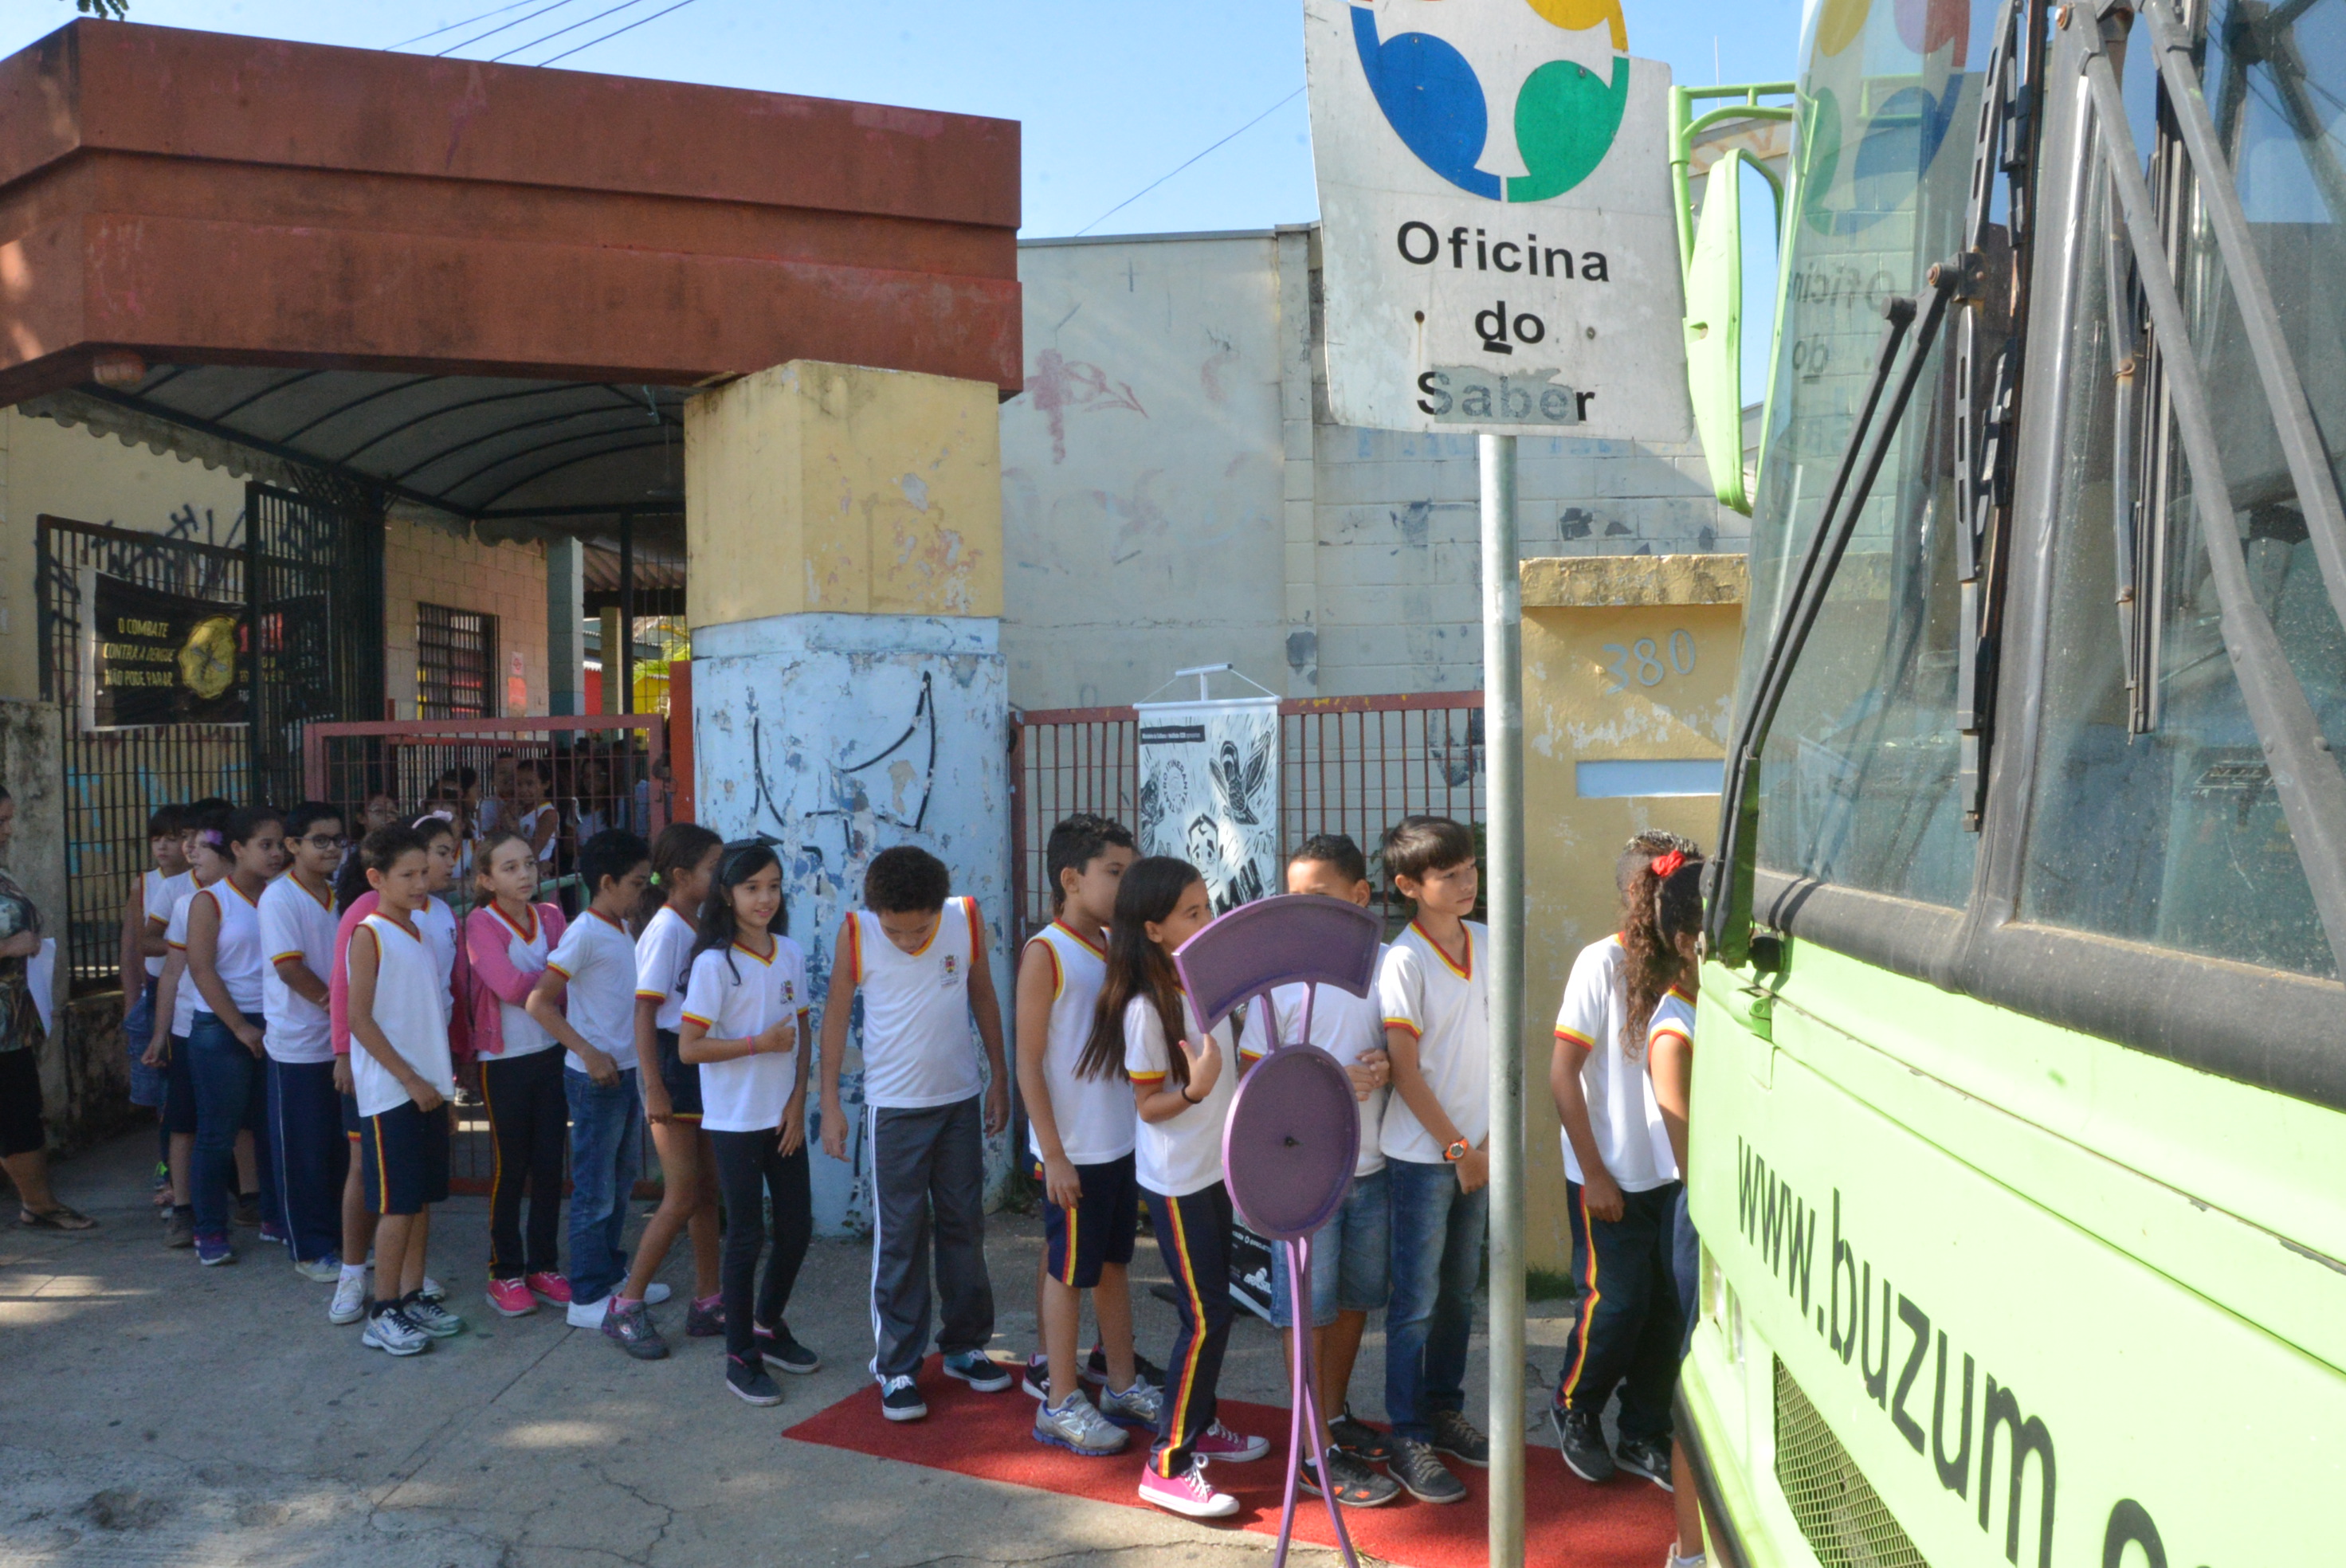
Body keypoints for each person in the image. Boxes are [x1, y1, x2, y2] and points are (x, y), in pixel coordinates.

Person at [1082, 856, 1266, 1518]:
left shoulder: (1196, 979)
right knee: (1206, 1313)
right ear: (1154, 929)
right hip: (1177, 1182)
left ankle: (1201, 1422)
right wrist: (1196, 1088)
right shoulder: (1144, 1008)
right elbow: (1149, 1106)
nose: (1207, 919)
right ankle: (1168, 1463)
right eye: (1192, 912)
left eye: (1206, 906)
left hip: (1212, 1169)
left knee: (1217, 1310)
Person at [1236, 835, 1402, 1508]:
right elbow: (1254, 1077)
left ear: (1360, 896)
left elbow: (1406, 1050)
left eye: (1318, 895)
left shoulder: (1387, 965)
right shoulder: (1277, 978)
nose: (1300, 908)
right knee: (1306, 1310)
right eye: (1293, 895)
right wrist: (1327, 1078)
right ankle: (1312, 1451)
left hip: (1374, 1165)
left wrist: (1389, 1066)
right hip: (1305, 1177)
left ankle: (1331, 1416)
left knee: (1355, 1300)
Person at [818, 845, 1011, 1421]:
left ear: (940, 909)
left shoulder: (966, 917)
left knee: (964, 1225)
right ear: (874, 912)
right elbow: (835, 1015)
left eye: (920, 930)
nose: (906, 940)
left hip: (959, 1101)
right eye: (895, 930)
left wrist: (999, 1078)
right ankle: (898, 1367)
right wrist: (829, 1102)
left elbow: (983, 995)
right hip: (894, 1111)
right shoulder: (857, 932)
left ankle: (965, 1346)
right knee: (900, 1236)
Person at [1547, 829, 1698, 1490]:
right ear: (1641, 898)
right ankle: (1575, 1407)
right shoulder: (1600, 963)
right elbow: (1562, 1074)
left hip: (1676, 1172)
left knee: (1667, 1308)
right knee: (1616, 1304)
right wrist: (1596, 1173)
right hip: (1610, 1172)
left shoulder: (1691, 960)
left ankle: (1643, 1430)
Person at [1014, 813, 1155, 1459]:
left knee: (1114, 1264)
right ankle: (1060, 1401)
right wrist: (1055, 1154)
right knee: (1068, 1272)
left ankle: (1121, 1384)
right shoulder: (1046, 953)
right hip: (1073, 1151)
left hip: (1120, 1144)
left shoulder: (1117, 945)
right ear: (1071, 879)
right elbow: (1029, 1063)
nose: (1127, 887)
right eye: (1114, 873)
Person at [1376, 814, 1494, 1504]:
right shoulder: (1405, 959)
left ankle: (1444, 1411)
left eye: (1470, 868)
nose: (1466, 882)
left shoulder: (1486, 941)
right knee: (1415, 1302)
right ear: (1408, 886)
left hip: (1477, 1154)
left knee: (1458, 1294)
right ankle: (1408, 1434)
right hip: (1426, 1159)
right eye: (1448, 874)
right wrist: (1457, 1150)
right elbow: (1404, 1069)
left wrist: (1485, 1146)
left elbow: (1500, 1047)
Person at [680, 841, 815, 1405]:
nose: (765, 898)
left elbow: (802, 1032)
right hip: (735, 1121)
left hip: (782, 1118)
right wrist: (758, 1044)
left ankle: (767, 1323)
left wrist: (798, 1101)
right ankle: (740, 1355)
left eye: (774, 886)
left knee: (797, 1227)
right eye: (751, 887)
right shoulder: (714, 963)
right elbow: (689, 1048)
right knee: (746, 1237)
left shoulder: (790, 953)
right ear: (727, 894)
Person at [326, 813, 467, 1325]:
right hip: (392, 1092)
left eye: (423, 872)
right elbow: (358, 1018)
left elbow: (426, 1017)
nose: (420, 883)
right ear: (376, 879)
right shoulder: (369, 933)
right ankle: (384, 1310)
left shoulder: (420, 929)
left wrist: (442, 1089)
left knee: (421, 1199)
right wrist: (409, 1079)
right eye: (407, 875)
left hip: (428, 1089)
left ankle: (412, 1295)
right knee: (398, 1203)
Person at [528, 828, 658, 1341]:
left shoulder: (621, 926)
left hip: (624, 1072)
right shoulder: (584, 932)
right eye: (636, 883)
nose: (642, 892)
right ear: (606, 882)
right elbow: (540, 1002)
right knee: (594, 1190)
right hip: (595, 1078)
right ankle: (586, 1295)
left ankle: (611, 1275)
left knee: (620, 1182)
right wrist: (586, 1051)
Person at [621, 823, 727, 1339]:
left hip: (696, 1064)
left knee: (707, 1192)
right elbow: (644, 1013)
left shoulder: (696, 921)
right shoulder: (666, 929)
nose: (723, 876)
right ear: (682, 876)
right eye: (714, 868)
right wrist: (654, 1087)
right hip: (669, 1066)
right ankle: (625, 1305)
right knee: (681, 1196)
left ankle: (709, 1300)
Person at [1640, 848, 1716, 1567]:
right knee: (1700, 1382)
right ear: (1690, 942)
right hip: (1705, 1221)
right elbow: (1693, 1162)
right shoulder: (1674, 1030)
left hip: (1730, 1217)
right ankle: (1689, 1551)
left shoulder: (1717, 1005)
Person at [465, 829, 571, 1317]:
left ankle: (543, 1264)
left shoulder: (550, 915)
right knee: (511, 1167)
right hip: (504, 1062)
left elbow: (569, 981)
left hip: (552, 1051)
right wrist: (553, 980)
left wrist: (549, 984)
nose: (525, 874)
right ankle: (503, 1271)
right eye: (509, 868)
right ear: (486, 879)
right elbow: (508, 988)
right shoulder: (480, 923)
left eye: (529, 863)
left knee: (550, 1165)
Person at [182, 805, 288, 1266]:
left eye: (281, 845)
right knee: (218, 1132)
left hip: (277, 1021)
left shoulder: (283, 895)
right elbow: (201, 969)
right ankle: (208, 1229)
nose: (276, 853)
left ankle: (274, 1216)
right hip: (221, 1028)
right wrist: (240, 1026)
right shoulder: (210, 901)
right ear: (238, 848)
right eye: (266, 845)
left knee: (271, 1127)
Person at [260, 802, 348, 1280]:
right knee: (303, 1153)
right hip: (298, 1045)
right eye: (321, 840)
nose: (332, 848)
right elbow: (290, 968)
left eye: (337, 839)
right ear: (293, 845)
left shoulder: (336, 894)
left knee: (339, 1149)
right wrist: (341, 1011)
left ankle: (342, 1239)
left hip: (338, 1042)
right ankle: (309, 1249)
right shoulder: (279, 897)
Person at [0, 784, 93, 1231]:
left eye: (8, 820)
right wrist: (8, 947)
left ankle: (38, 1203)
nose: (7, 830)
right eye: (0, 821)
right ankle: (39, 1204)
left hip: (11, 1024)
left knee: (20, 1110)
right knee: (15, 1114)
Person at [146, 807, 228, 1249]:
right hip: (188, 1026)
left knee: (240, 1123)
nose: (190, 848)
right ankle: (183, 1206)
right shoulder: (181, 898)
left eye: (200, 840)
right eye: (187, 839)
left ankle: (251, 1199)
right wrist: (159, 1034)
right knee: (184, 1120)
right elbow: (172, 972)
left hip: (241, 1024)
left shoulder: (264, 896)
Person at [120, 803, 190, 1198]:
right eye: (157, 839)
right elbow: (133, 945)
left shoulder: (202, 884)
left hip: (190, 990)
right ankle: (167, 1167)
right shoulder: (144, 885)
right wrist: (132, 1000)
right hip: (155, 989)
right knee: (160, 1086)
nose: (163, 847)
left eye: (173, 838)